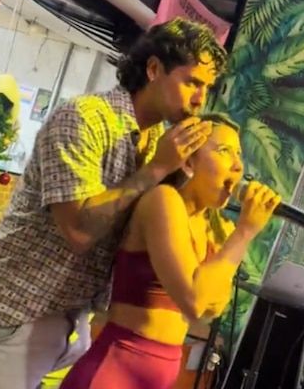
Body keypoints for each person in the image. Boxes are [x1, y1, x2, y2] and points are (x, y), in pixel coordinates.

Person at [0, 18, 228, 389]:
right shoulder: (83, 119)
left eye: (207, 88)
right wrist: (156, 169)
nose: (200, 100)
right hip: (22, 308)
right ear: (154, 69)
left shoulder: (156, 141)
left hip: (76, 317)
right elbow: (78, 231)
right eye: (192, 82)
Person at [60, 114, 279, 388]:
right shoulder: (163, 199)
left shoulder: (209, 226)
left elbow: (213, 307)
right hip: (116, 369)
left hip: (161, 372)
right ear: (188, 161)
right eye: (224, 151)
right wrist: (244, 233)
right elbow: (194, 301)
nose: (238, 165)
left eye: (239, 154)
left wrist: (234, 242)